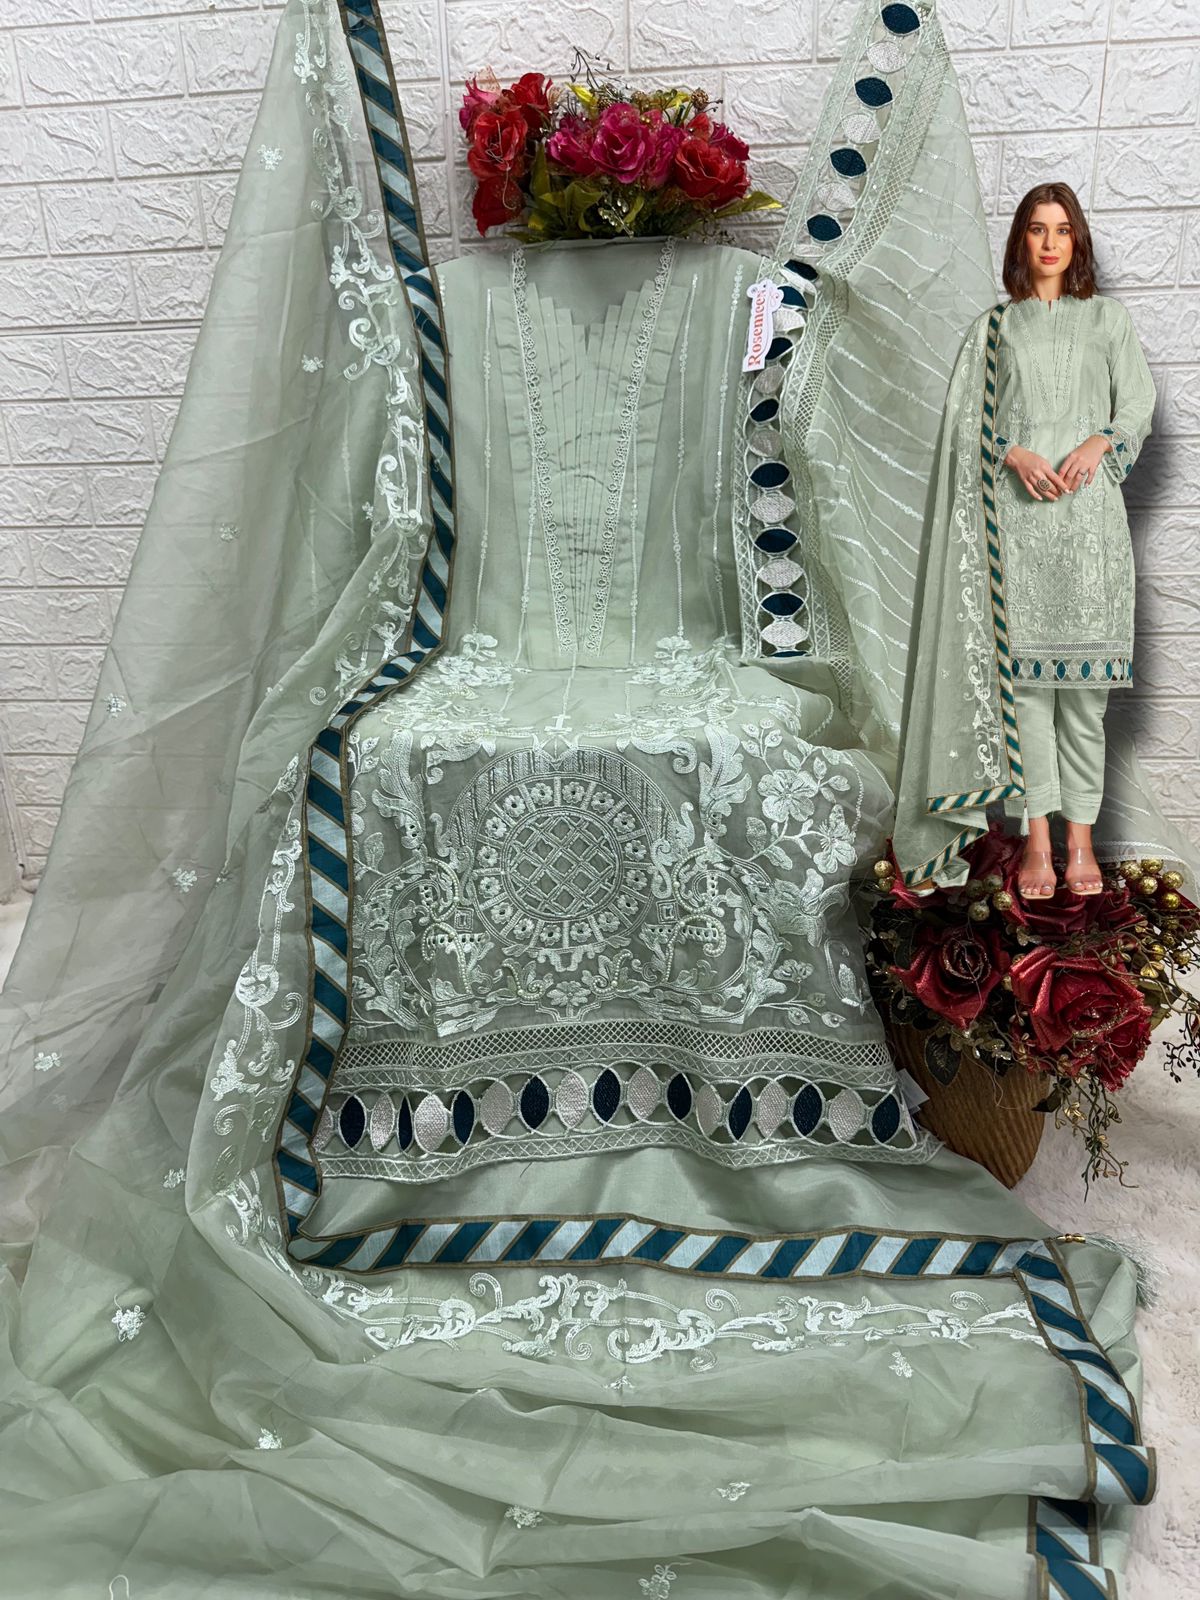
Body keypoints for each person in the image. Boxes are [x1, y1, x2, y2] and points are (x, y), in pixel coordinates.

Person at [0, 2, 1176, 1594]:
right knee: (403, 751)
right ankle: (427, 1147)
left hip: (978, 557)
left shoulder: (792, 320)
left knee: (764, 757)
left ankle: (700, 1141)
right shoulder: (452, 318)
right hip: (480, 644)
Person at [892, 187, 1195, 905]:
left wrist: (1100, 440)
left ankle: (1080, 840)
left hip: (1090, 530)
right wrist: (1014, 453)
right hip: (1018, 531)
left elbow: (1138, 404)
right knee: (1026, 696)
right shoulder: (994, 329)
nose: (1051, 243)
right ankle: (1036, 840)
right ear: (1021, 241)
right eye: (1037, 229)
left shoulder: (1107, 320)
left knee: (1084, 700)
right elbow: (966, 423)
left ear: (1077, 240)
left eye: (1063, 230)